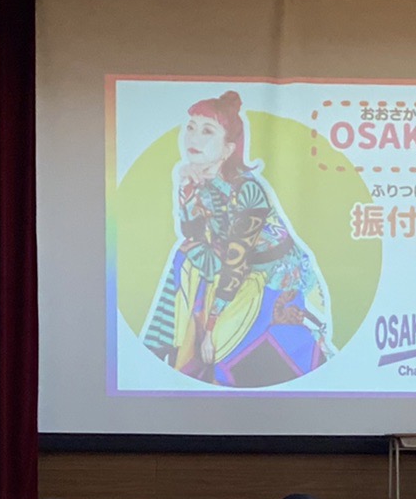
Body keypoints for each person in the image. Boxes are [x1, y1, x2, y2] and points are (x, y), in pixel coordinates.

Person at [140, 89, 334, 387]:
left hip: (273, 279)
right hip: (229, 268)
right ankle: (158, 347)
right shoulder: (195, 177)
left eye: (207, 131)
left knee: (219, 342)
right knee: (184, 256)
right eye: (190, 128)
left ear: (229, 148)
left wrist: (210, 327)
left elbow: (237, 262)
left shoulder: (248, 190)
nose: (193, 138)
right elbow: (192, 234)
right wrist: (187, 190)